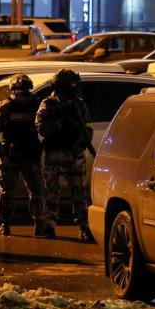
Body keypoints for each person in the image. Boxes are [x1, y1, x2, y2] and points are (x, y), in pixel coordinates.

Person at [35, 68, 95, 242]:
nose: (76, 89)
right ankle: (49, 226)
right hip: (56, 154)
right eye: (72, 86)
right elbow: (41, 128)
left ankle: (84, 227)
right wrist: (61, 122)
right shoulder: (49, 104)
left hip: (75, 153)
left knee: (80, 194)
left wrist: (83, 138)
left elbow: (88, 127)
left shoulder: (78, 104)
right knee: (52, 192)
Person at [0, 73, 44, 237]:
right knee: (36, 191)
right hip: (30, 155)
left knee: (6, 191)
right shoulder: (36, 105)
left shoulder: (4, 106)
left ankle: (5, 225)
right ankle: (38, 224)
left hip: (10, 156)